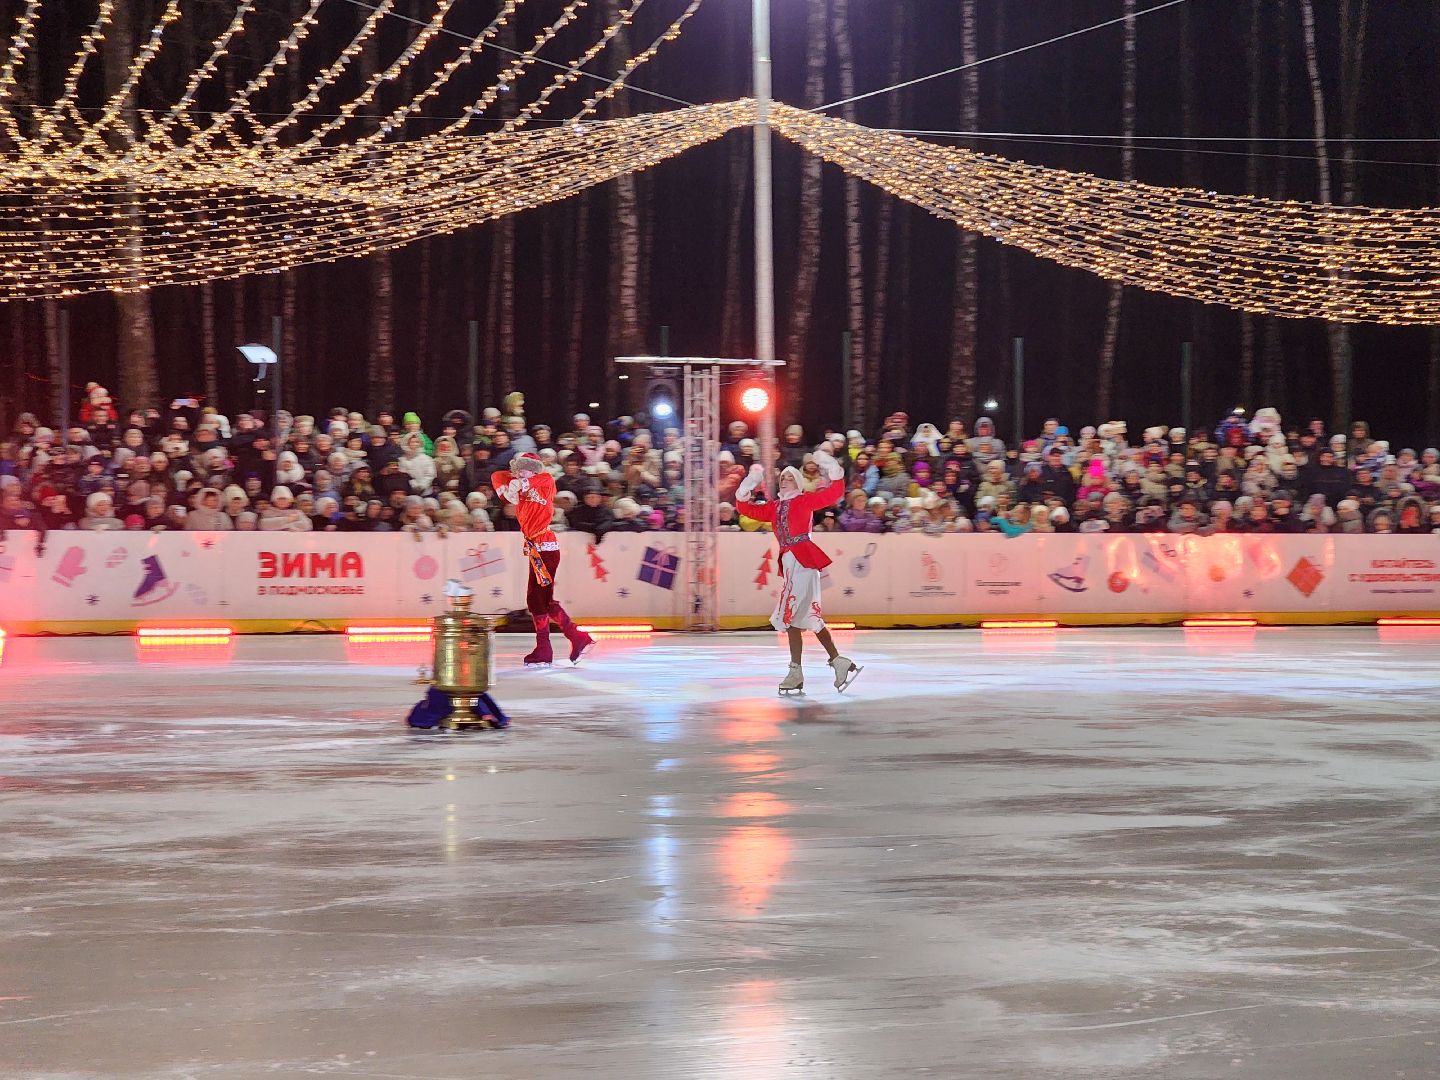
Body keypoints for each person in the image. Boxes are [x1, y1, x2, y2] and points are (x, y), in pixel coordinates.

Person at [734, 448, 860, 696]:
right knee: (807, 619)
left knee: (790, 616)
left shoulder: (805, 500)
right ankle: (837, 661)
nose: (785, 480)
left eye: (790, 477)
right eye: (783, 478)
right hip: (792, 563)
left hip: (803, 561)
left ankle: (796, 671)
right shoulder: (774, 507)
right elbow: (745, 508)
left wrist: (832, 468)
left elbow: (834, 492)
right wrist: (748, 485)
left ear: (799, 482)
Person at [491, 452, 594, 667]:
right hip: (537, 549)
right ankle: (560, 642)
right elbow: (498, 475)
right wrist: (513, 481)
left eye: (526, 469)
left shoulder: (545, 481)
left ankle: (567, 640)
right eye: (518, 469)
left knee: (540, 599)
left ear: (535, 469)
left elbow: (534, 481)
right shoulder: (522, 490)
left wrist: (518, 483)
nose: (521, 473)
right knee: (536, 599)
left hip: (545, 548)